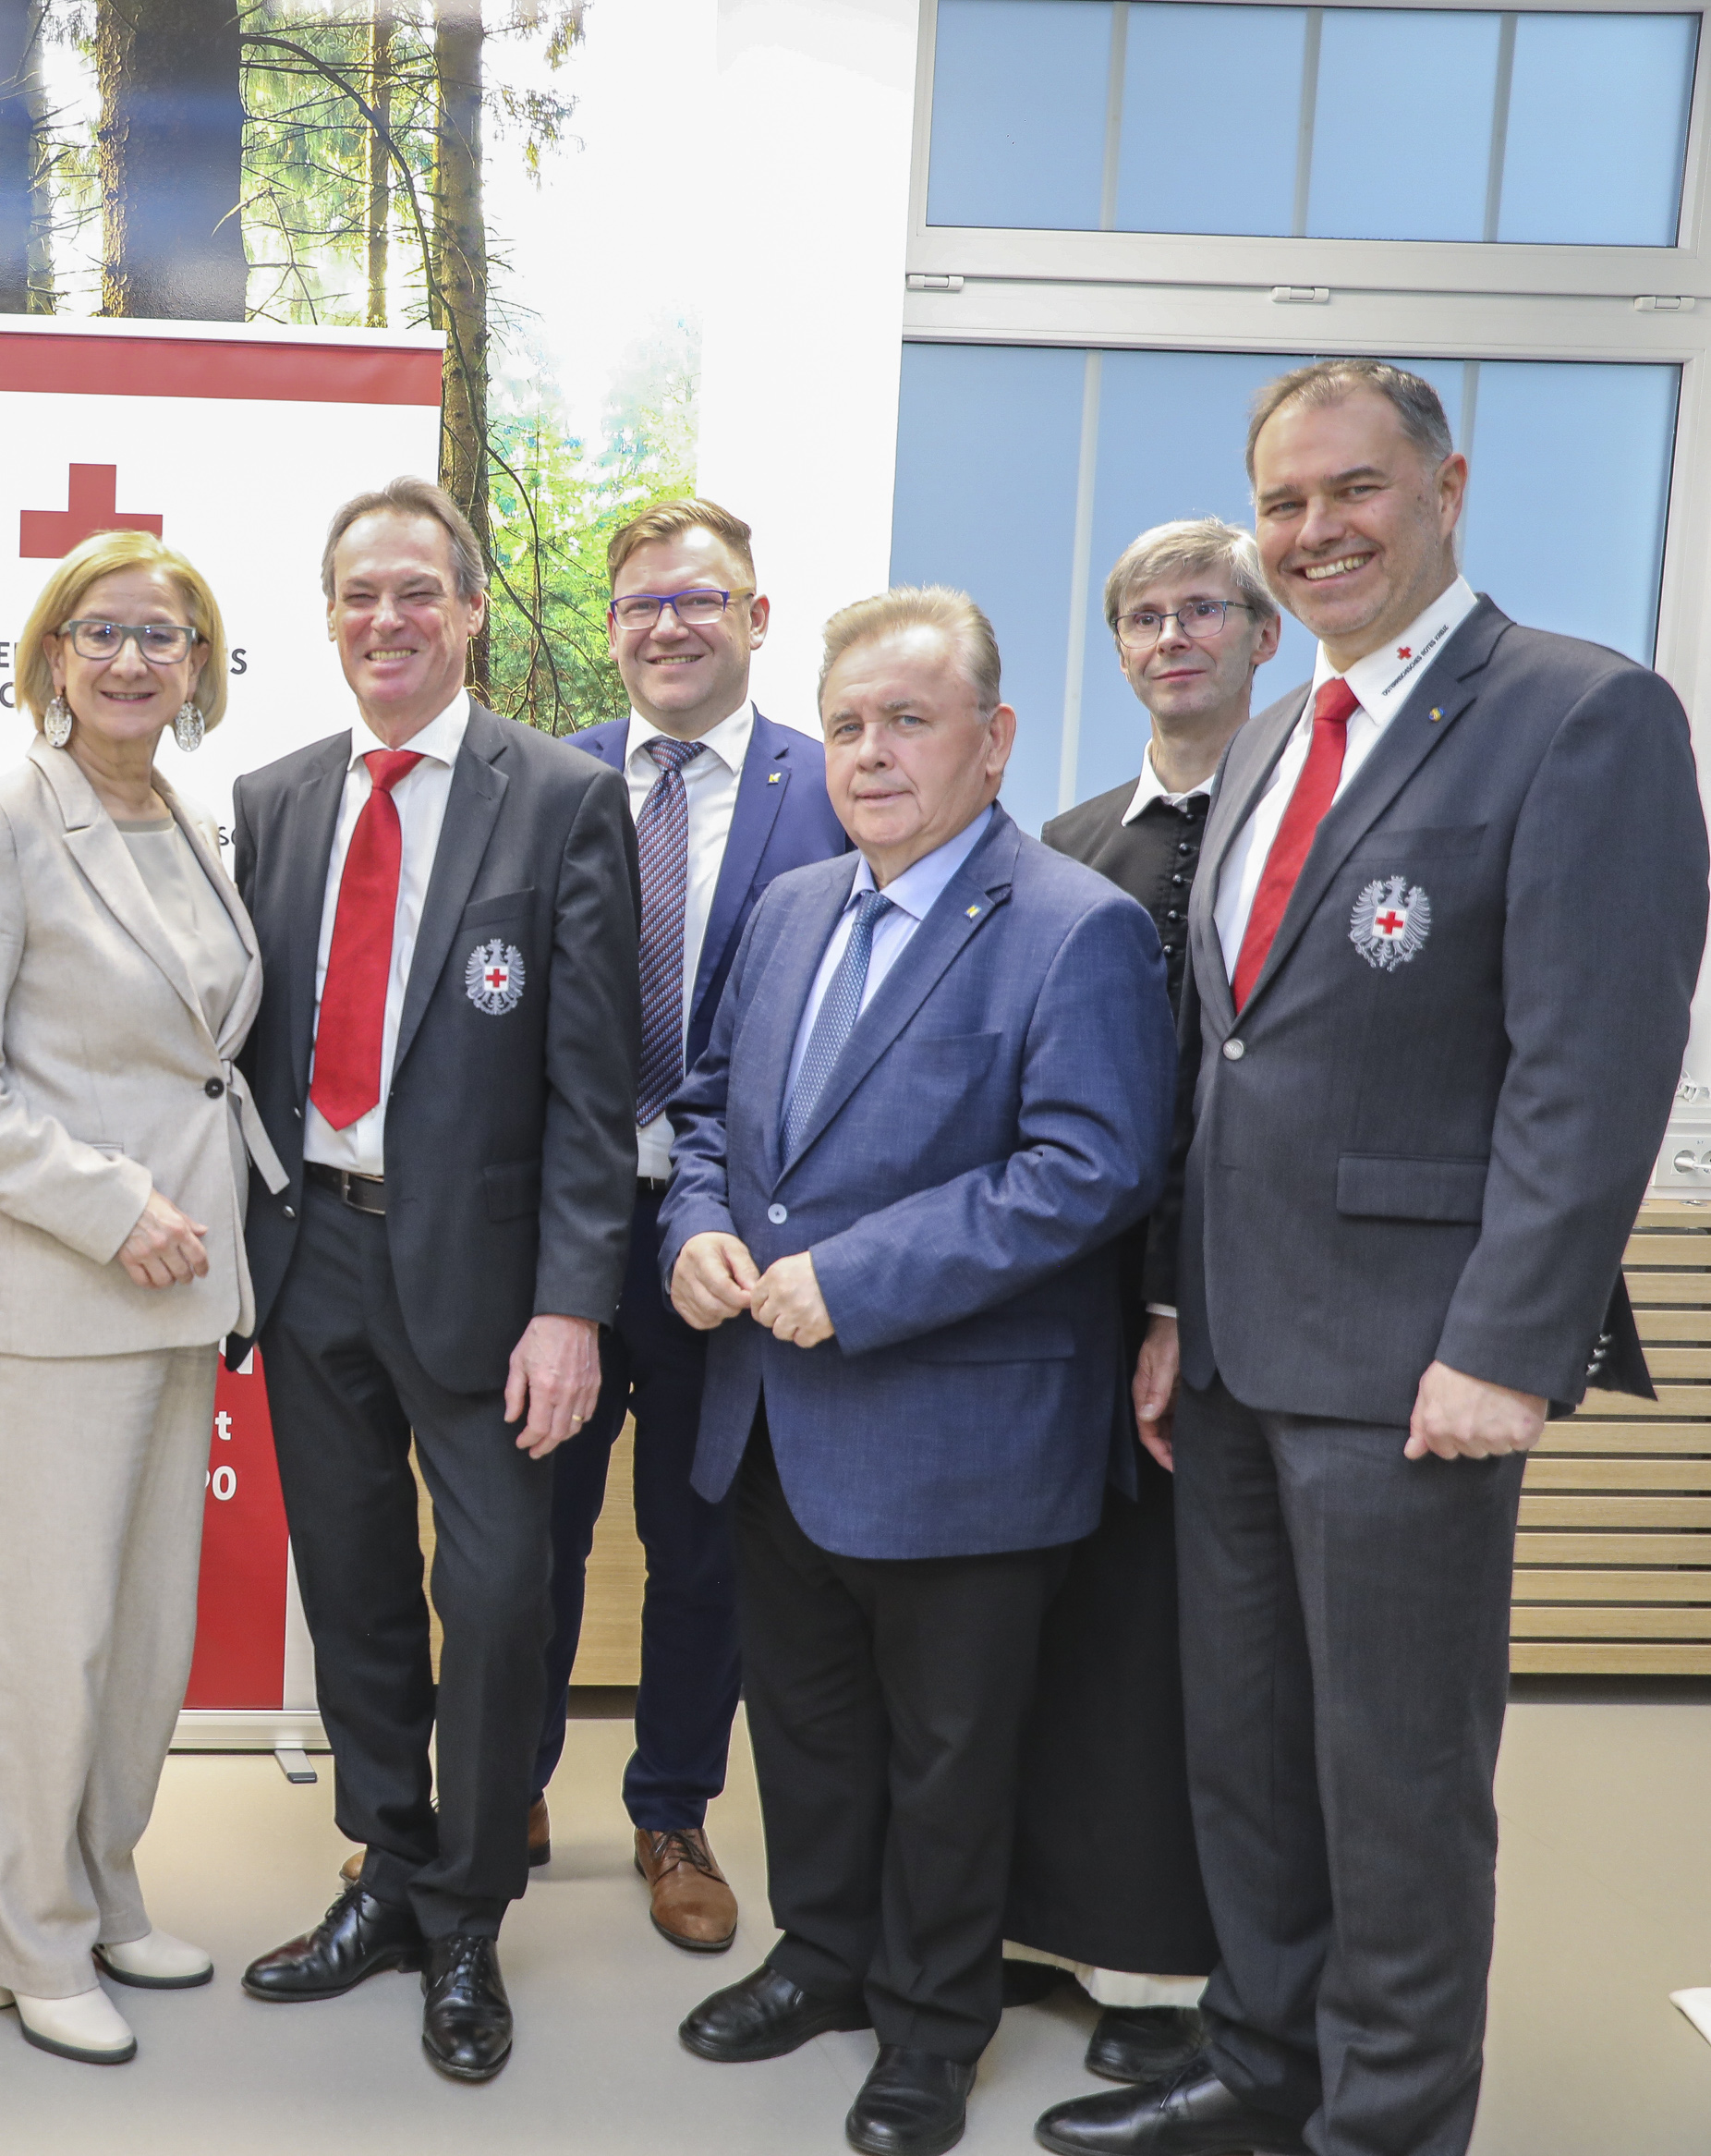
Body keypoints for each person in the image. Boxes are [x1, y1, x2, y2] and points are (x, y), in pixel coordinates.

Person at [1038, 364, 1710, 2156]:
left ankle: (1390, 2120)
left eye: (1352, 491)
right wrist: (1173, 1302)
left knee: (1396, 1784)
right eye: (1283, 503)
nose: (1314, 531)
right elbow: (1225, 1059)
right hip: (1243, 1352)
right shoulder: (1272, 733)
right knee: (1245, 1757)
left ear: (1445, 487)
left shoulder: (1580, 717)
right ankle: (1267, 2071)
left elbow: (1593, 1066)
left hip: (1419, 1364)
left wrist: (1506, 1343)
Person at [664, 588, 1173, 2156]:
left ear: (994, 739)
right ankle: (824, 1955)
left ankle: (935, 2023)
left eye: (909, 720)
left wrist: (861, 1277)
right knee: (807, 1728)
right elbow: (702, 1115)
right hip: (771, 1416)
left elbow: (1091, 1169)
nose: (871, 753)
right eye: (849, 724)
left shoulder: (1074, 925)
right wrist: (693, 1229)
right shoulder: (793, 907)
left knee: (952, 1757)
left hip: (960, 1438)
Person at [228, 477, 641, 2084]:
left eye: (418, 591)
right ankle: (387, 1871)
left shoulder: (556, 799)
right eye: (357, 595)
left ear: (469, 610)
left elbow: (593, 1079)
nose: (386, 620)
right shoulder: (268, 799)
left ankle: (470, 1913)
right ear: (328, 617)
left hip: (487, 1273)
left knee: (498, 1593)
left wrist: (573, 1300)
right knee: (351, 1592)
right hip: (312, 1244)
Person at [0, 532, 282, 2066]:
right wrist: (114, 1206)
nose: (133, 660)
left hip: (190, 1279)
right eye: (103, 632)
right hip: (66, 1280)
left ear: (200, 663)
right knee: (41, 1637)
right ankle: (19, 1932)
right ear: (51, 654)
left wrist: (184, 1220)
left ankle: (102, 1880)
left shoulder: (191, 815)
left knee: (142, 1629)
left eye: (165, 635)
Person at [546, 497, 843, 1952]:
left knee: (700, 1536)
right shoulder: (550, 782)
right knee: (522, 1530)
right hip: (562, 1233)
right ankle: (507, 1781)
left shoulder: (830, 785)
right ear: (611, 629)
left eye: (700, 601)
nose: (669, 627)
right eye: (643, 604)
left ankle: (672, 1806)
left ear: (756, 618)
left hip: (729, 1239)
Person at [1006, 519, 1272, 2083]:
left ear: (1261, 634)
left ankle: (1166, 1963)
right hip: (1067, 1304)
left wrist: (1173, 1300)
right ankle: (1045, 1919)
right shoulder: (1072, 836)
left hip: (1223, 1304)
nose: (1173, 635)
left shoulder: (1299, 819)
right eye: (1144, 616)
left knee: (1184, 1637)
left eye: (1203, 610)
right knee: (1066, 1618)